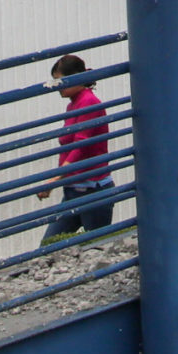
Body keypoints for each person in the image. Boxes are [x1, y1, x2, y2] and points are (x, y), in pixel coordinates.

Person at [44, 54, 114, 241]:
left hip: (93, 188)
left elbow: (79, 147)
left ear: (74, 77)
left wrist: (54, 180)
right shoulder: (75, 104)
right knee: (50, 246)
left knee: (98, 245)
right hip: (74, 187)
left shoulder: (88, 103)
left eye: (60, 80)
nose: (57, 86)